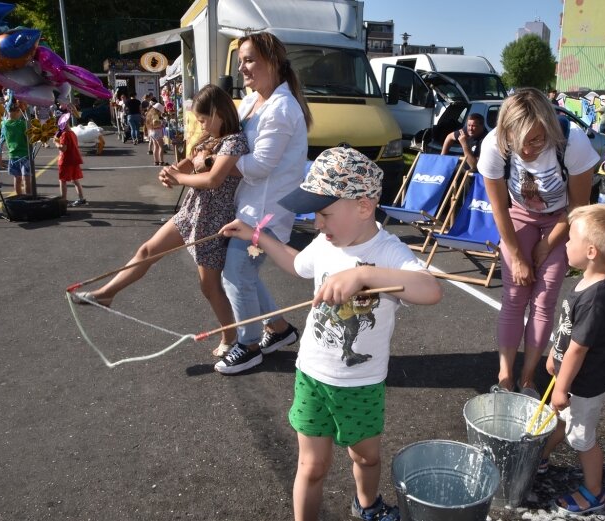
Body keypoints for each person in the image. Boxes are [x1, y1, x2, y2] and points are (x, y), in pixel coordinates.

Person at [218, 146, 443, 521]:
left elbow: (430, 290)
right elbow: (297, 264)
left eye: (324, 213)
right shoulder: (324, 243)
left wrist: (365, 274)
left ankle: (366, 505)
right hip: (312, 377)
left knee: (366, 456)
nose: (317, 223)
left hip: (362, 384)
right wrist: (256, 236)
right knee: (312, 466)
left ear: (364, 206)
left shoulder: (388, 252)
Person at [72, 84, 247, 357]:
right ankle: (106, 294)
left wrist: (180, 178)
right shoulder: (208, 139)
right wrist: (171, 172)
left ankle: (231, 336)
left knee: (210, 286)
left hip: (212, 219)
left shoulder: (234, 141)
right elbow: (188, 165)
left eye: (203, 119)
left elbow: (214, 179)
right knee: (148, 250)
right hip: (191, 212)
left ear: (218, 113)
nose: (201, 124)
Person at [477, 87, 598, 397]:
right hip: (517, 215)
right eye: (518, 143)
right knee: (515, 296)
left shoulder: (573, 142)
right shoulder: (493, 145)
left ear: (549, 127)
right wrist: (517, 256)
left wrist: (546, 245)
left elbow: (577, 208)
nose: (527, 151)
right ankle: (505, 376)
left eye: (535, 141)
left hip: (562, 218)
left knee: (544, 300)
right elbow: (499, 208)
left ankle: (528, 378)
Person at [214, 31, 314, 375]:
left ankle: (250, 344)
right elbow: (234, 143)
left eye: (250, 59)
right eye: (240, 60)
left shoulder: (282, 108)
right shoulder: (251, 101)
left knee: (237, 272)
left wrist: (216, 165)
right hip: (249, 209)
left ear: (273, 62)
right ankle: (281, 329)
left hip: (268, 215)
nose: (242, 68)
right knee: (246, 274)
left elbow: (258, 167)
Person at [538, 204, 605, 516]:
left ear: (591, 251)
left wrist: (560, 387)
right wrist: (555, 353)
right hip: (576, 376)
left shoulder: (597, 298)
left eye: (570, 240)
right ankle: (540, 456)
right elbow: (568, 329)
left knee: (582, 439)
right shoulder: (587, 280)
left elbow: (579, 349)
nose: (565, 244)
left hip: (587, 382)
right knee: (563, 421)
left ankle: (594, 493)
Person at [53, 112, 87, 206]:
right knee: (75, 179)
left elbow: (63, 148)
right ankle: (81, 198)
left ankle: (63, 199)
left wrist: (56, 143)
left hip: (66, 160)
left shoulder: (64, 135)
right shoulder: (72, 133)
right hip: (74, 159)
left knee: (62, 180)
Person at [0, 102, 31, 196]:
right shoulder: (22, 124)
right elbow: (28, 138)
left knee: (17, 178)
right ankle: (28, 197)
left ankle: (20, 197)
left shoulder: (4, 123)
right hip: (24, 153)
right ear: (16, 112)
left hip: (13, 154)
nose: (20, 113)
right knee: (26, 178)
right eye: (18, 111)